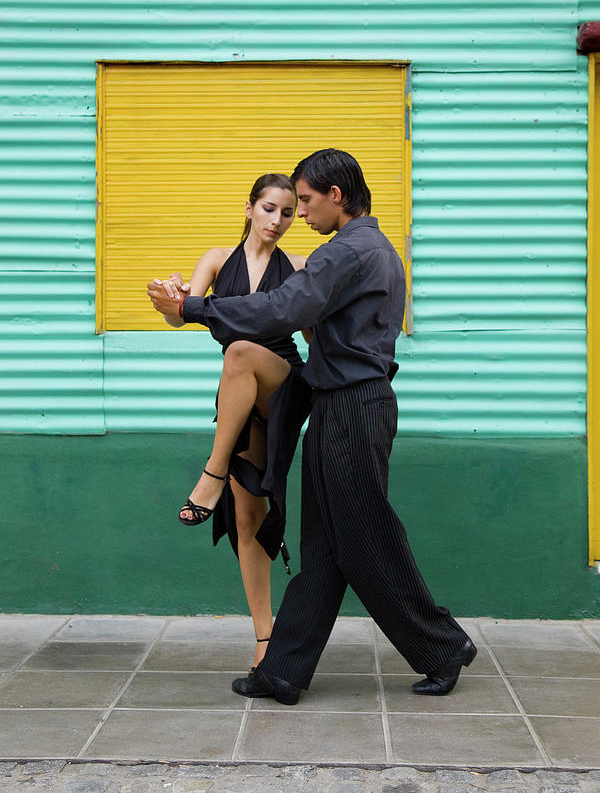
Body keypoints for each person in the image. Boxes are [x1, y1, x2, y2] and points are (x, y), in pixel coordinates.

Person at [149, 149, 476, 704]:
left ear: (336, 196)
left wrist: (198, 310)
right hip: (338, 406)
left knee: (366, 537)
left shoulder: (347, 251)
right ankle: (282, 672)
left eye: (304, 201)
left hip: (353, 407)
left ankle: (442, 644)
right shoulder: (367, 249)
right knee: (326, 548)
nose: (298, 214)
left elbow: (283, 309)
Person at [147, 173, 311, 671]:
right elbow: (183, 314)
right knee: (247, 518)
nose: (278, 221)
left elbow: (312, 328)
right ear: (249, 208)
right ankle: (266, 637)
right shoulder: (218, 260)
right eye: (268, 209)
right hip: (241, 393)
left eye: (287, 212)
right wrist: (169, 297)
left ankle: (210, 475)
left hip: (282, 382)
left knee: (239, 349)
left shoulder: (301, 266)